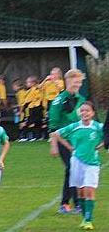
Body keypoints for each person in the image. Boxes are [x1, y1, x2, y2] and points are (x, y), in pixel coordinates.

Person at [50, 101, 103, 230]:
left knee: (89, 190)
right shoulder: (74, 126)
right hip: (77, 162)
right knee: (80, 192)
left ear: (93, 113)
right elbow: (55, 134)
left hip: (92, 163)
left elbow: (106, 136)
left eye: (87, 111)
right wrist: (66, 147)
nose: (84, 113)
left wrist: (100, 145)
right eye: (82, 110)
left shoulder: (98, 127)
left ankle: (89, 220)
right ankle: (85, 218)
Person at [47, 69, 87, 214]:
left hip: (77, 141)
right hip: (62, 139)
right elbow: (53, 124)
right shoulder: (59, 100)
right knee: (71, 168)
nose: (78, 84)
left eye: (80, 82)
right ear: (68, 81)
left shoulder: (81, 100)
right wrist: (53, 145)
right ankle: (65, 203)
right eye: (76, 81)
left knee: (77, 170)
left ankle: (76, 203)